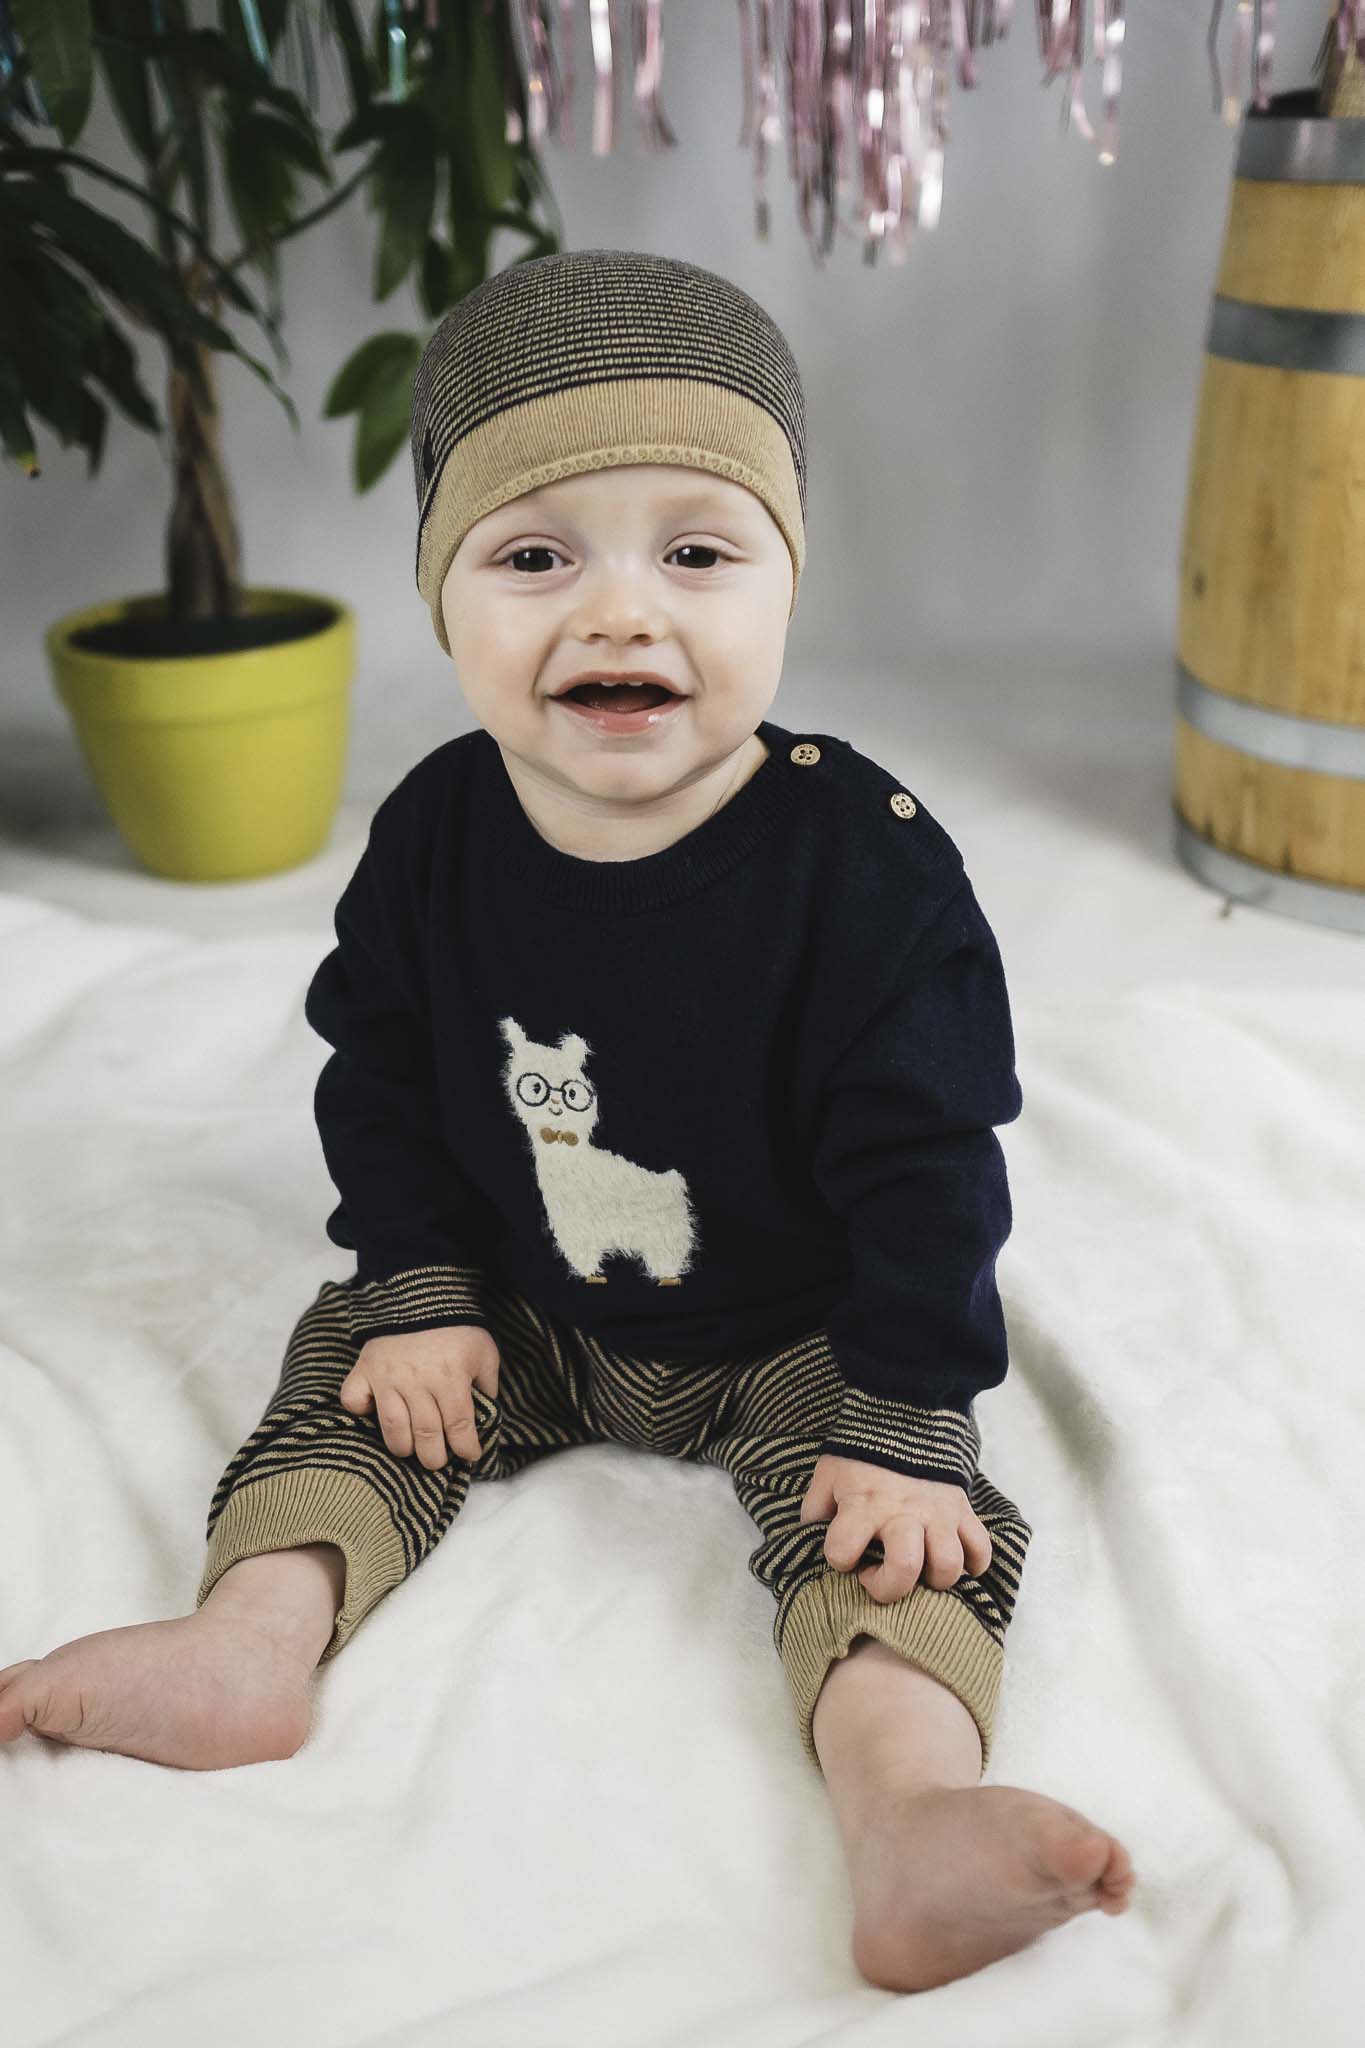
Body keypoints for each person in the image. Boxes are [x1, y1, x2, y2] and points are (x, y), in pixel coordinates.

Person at [0, 248, 1135, 1991]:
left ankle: (906, 1803)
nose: (618, 614)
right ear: (441, 598)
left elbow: (929, 1159)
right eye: (535, 557)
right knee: (348, 1370)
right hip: (519, 1304)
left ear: (787, 581)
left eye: (697, 553)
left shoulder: (866, 868)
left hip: (803, 1330)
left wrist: (905, 1402)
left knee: (899, 1529)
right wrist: (419, 1283)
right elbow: (378, 1070)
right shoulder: (434, 834)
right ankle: (253, 1638)